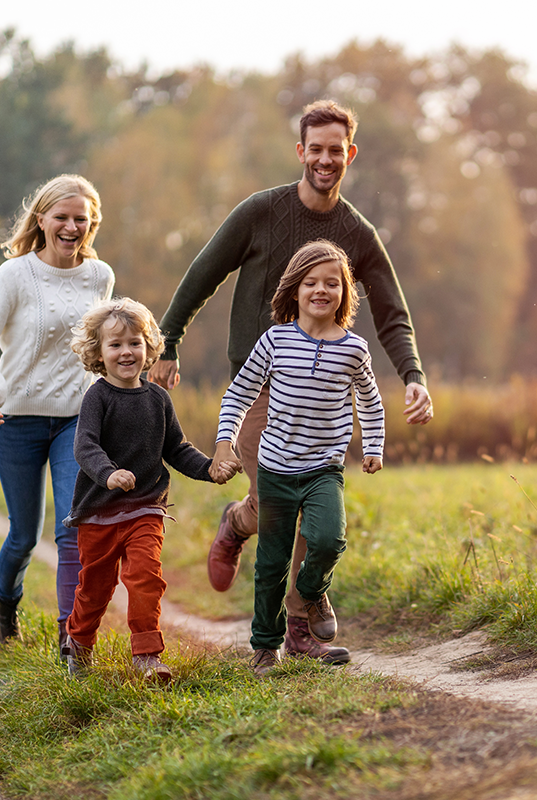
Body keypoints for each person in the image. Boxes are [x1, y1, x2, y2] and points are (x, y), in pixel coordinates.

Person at [151, 99, 432, 664]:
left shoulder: (357, 232)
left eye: (337, 151)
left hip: (324, 393)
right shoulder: (260, 211)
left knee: (315, 504)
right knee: (276, 501)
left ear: (349, 155)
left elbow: (390, 311)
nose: (325, 160)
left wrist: (413, 375)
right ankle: (237, 524)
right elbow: (203, 273)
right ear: (301, 151)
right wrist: (168, 341)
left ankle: (299, 624)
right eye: (316, 149)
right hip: (260, 382)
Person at [211, 240, 384, 676]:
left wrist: (374, 446)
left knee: (329, 539)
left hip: (324, 467)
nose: (320, 290)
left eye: (332, 283)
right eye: (310, 282)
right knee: (271, 561)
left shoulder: (354, 349)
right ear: (294, 289)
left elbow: (371, 402)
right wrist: (224, 441)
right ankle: (266, 647)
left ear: (345, 292)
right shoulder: (276, 340)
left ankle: (310, 593)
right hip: (275, 469)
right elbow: (240, 393)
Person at [0, 174, 115, 655]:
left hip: (77, 417)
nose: (71, 227)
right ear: (42, 219)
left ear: (91, 224)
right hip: (16, 420)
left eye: (81, 219)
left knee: (72, 527)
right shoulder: (14, 275)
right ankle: (4, 605)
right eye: (62, 217)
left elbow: (102, 345)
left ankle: (71, 637)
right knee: (24, 536)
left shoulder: (100, 276)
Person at [63, 298, 231, 682]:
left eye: (135, 343)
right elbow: (85, 447)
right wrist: (108, 474)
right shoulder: (97, 397)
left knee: (145, 576)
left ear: (149, 347)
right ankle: (79, 643)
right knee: (95, 590)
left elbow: (177, 449)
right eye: (116, 345)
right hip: (99, 512)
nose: (127, 352)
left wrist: (210, 468)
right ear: (98, 353)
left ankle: (147, 656)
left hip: (145, 509)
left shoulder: (158, 398)